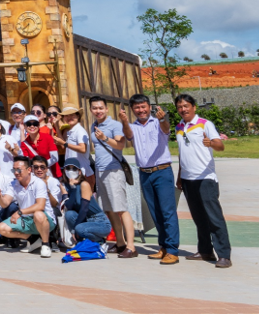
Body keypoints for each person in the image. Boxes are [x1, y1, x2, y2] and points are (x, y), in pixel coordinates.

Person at [174, 93, 231, 268]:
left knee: (214, 217)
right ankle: (205, 250)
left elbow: (220, 146)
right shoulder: (179, 127)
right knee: (199, 218)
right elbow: (183, 154)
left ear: (194, 107)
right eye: (180, 107)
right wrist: (180, 176)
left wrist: (211, 143)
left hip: (205, 178)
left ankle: (224, 255)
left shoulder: (205, 124)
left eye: (186, 106)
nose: (183, 109)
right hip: (188, 179)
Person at [120, 94, 179, 264]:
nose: (141, 110)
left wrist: (163, 119)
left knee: (167, 212)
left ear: (149, 107)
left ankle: (172, 250)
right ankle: (164, 247)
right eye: (137, 108)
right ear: (133, 110)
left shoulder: (158, 123)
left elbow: (166, 129)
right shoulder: (133, 126)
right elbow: (128, 135)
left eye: (143, 106)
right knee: (155, 212)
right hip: (144, 173)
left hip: (162, 171)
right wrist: (124, 121)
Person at [88, 96, 136, 257]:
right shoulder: (93, 125)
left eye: (101, 108)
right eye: (95, 108)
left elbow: (120, 145)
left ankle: (131, 246)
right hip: (101, 171)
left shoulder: (115, 125)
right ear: (91, 110)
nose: (98, 111)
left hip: (114, 171)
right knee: (109, 209)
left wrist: (104, 138)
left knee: (121, 209)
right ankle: (120, 243)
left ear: (107, 109)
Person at [0, 157, 53, 257]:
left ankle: (45, 244)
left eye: (19, 170)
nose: (16, 173)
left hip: (45, 220)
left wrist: (19, 212)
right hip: (26, 220)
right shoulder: (13, 184)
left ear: (29, 170)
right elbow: (4, 203)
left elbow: (40, 205)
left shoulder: (39, 183)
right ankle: (32, 239)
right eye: (14, 170)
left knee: (38, 214)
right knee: (1, 228)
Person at [60, 159, 111, 245]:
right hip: (84, 220)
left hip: (99, 221)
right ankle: (81, 241)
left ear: (79, 172)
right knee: (69, 214)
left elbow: (84, 209)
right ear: (64, 170)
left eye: (74, 169)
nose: (71, 171)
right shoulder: (63, 184)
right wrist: (73, 189)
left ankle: (99, 240)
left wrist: (74, 229)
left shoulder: (84, 184)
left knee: (79, 229)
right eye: (68, 168)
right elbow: (68, 206)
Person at [58, 106, 93, 182]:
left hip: (81, 172)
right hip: (73, 172)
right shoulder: (72, 131)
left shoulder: (79, 131)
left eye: (72, 115)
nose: (69, 117)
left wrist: (65, 143)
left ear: (78, 116)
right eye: (66, 115)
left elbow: (83, 149)